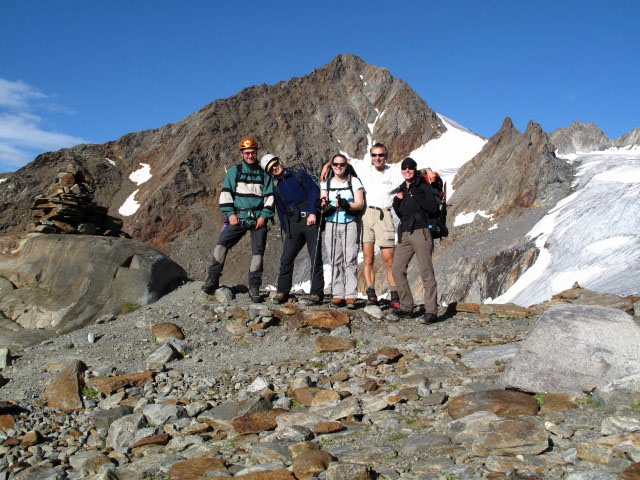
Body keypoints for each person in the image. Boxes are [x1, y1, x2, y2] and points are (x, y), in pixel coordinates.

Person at [320, 143, 431, 307]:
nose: (377, 158)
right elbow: (344, 161)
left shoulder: (393, 170)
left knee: (389, 259)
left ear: (386, 156)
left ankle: (395, 293)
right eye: (374, 155)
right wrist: (327, 165)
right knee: (368, 258)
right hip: (366, 214)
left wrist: (426, 170)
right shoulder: (364, 168)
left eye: (380, 155)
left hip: (384, 215)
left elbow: (409, 172)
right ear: (371, 156)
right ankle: (370, 293)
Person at [202, 137, 275, 302]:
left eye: (253, 152)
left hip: (258, 219)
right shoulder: (235, 171)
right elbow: (226, 193)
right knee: (222, 244)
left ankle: (254, 287)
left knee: (258, 253)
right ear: (242, 153)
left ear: (256, 152)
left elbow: (269, 197)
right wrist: (230, 214)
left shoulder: (264, 174)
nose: (250, 155)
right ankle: (212, 279)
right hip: (238, 217)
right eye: (247, 153)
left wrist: (264, 217)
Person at [260, 153, 324, 304]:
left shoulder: (299, 174)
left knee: (315, 257)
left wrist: (312, 213)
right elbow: (281, 210)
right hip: (293, 225)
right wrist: (286, 229)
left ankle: (316, 293)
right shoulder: (276, 187)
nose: (275, 168)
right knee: (286, 258)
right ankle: (282, 291)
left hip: (310, 220)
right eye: (271, 169)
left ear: (280, 161)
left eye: (275, 164)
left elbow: (314, 192)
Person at [391, 157, 440, 324]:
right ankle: (406, 307)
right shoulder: (401, 189)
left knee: (426, 271)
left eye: (410, 168)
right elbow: (400, 213)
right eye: (404, 168)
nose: (407, 170)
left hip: (421, 231)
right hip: (405, 233)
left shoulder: (423, 186)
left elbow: (433, 208)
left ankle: (431, 311)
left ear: (414, 169)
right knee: (397, 268)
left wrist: (416, 195)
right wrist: (397, 200)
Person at [320, 154, 365, 308]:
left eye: (341, 165)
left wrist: (348, 205)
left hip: (350, 222)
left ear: (346, 166)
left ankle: (351, 295)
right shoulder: (326, 183)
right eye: (335, 165)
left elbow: (360, 203)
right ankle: (338, 294)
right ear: (332, 166)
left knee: (350, 258)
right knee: (335, 259)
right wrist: (323, 205)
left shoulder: (354, 181)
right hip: (331, 223)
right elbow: (323, 201)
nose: (338, 167)